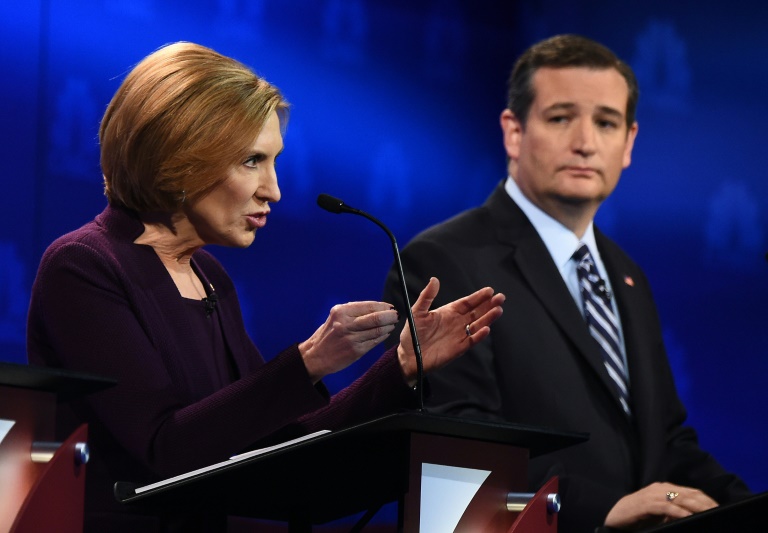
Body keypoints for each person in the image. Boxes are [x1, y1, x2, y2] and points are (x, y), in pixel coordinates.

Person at [26, 42, 505, 532]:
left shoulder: (210, 275)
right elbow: (164, 450)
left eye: (273, 160)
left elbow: (271, 444)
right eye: (252, 160)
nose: (274, 189)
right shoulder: (84, 266)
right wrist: (310, 360)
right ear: (181, 157)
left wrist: (400, 367)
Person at [383, 34, 751, 531]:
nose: (585, 141)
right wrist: (596, 510)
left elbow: (666, 441)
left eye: (606, 122)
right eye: (560, 118)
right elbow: (459, 452)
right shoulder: (444, 260)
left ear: (629, 143)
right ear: (514, 132)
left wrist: (743, 507)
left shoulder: (628, 276)